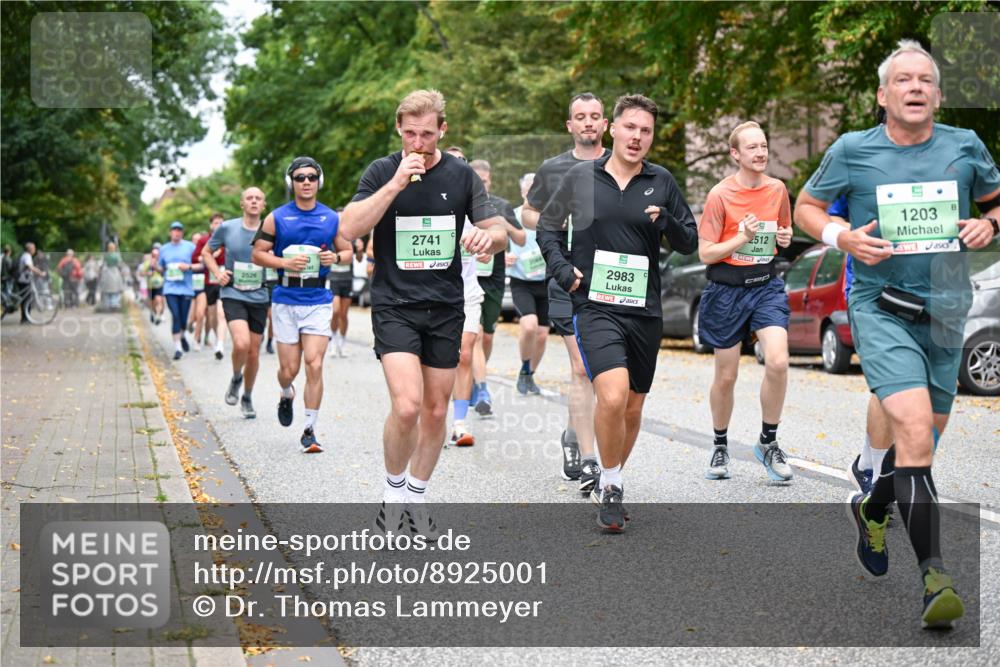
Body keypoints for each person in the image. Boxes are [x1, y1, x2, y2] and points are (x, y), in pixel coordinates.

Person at [794, 39, 1000, 629]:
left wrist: (987, 223)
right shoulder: (853, 150)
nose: (915, 88)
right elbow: (805, 206)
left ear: (937, 93)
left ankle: (873, 504)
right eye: (903, 80)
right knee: (911, 430)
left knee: (924, 442)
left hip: (947, 307)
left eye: (925, 80)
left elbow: (997, 201)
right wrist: (841, 237)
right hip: (880, 305)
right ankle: (936, 577)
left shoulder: (965, 147)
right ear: (883, 95)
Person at [339, 89, 506, 539]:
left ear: (443, 130)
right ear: (399, 129)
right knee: (408, 405)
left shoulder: (462, 174)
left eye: (427, 134)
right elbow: (349, 227)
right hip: (395, 303)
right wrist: (395, 182)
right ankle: (392, 497)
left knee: (435, 411)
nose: (418, 142)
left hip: (445, 306)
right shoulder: (381, 170)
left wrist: (487, 238)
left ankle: (416, 495)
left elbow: (498, 230)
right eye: (410, 133)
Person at [538, 93, 698, 531]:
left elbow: (689, 241)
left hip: (644, 309)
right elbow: (547, 229)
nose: (637, 137)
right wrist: (562, 270)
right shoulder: (580, 177)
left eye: (646, 131)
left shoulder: (661, 181)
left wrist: (665, 220)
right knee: (610, 393)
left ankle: (613, 476)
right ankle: (610, 487)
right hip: (593, 305)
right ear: (613, 129)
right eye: (630, 127)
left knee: (631, 406)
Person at [697, 121, 795, 483]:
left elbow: (782, 235)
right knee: (727, 376)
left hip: (765, 285)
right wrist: (740, 239)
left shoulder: (777, 189)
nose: (761, 153)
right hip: (726, 290)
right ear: (735, 154)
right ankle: (720, 444)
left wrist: (785, 236)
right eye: (752, 147)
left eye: (764, 146)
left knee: (779, 361)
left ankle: (768, 443)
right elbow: (706, 253)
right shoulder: (720, 195)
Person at [521, 92, 607, 491]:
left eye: (595, 116)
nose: (588, 122)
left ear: (605, 123)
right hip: (566, 276)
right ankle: (590, 460)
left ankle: (575, 434)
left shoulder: (619, 165)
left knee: (599, 372)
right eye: (580, 117)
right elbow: (527, 212)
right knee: (580, 367)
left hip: (608, 279)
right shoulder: (553, 168)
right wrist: (558, 221)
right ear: (570, 125)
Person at [252, 157, 351, 454]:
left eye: (311, 177)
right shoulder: (277, 217)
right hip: (286, 300)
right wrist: (283, 261)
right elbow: (258, 254)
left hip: (318, 300)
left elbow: (347, 251)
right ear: (291, 183)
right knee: (288, 369)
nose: (305, 182)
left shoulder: (332, 218)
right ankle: (286, 392)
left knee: (315, 363)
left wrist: (336, 258)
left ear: (319, 181)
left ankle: (309, 430)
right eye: (299, 178)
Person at [828, 195, 895, 495]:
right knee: (888, 383)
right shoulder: (858, 158)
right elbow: (826, 216)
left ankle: (866, 467)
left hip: (917, 287)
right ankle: (880, 482)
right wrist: (852, 233)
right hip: (868, 289)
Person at [204, 188, 270, 419]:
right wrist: (217, 272)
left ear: (264, 205)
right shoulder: (227, 228)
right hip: (233, 292)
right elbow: (206, 252)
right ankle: (235, 377)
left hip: (260, 295)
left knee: (253, 353)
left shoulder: (271, 229)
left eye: (258, 198)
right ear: (242, 204)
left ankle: (248, 396)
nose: (253, 201)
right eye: (249, 198)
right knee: (241, 344)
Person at [467, 159, 525, 415]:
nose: (481, 185)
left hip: (494, 279)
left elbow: (521, 238)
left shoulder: (500, 205)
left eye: (485, 181)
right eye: (476, 180)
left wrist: (503, 224)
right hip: (469, 278)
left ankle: (476, 371)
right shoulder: (461, 203)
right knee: (476, 334)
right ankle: (481, 387)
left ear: (490, 181)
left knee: (487, 336)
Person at [443, 146, 487, 448]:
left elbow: (491, 245)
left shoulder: (476, 205)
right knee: (432, 361)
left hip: (468, 291)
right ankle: (430, 415)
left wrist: (486, 247)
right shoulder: (429, 201)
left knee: (465, 353)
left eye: (462, 163)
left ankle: (459, 424)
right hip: (432, 293)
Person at [507, 172, 551, 395]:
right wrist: (504, 257)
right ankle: (525, 367)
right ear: (523, 192)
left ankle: (528, 376)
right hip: (521, 280)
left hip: (546, 282)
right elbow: (498, 245)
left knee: (542, 334)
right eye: (529, 188)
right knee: (529, 325)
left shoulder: (550, 217)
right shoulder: (513, 217)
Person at [158, 222, 197, 359]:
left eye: (179, 230)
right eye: (174, 230)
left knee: (183, 318)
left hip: (186, 288)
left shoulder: (190, 247)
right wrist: (155, 267)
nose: (176, 232)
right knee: (175, 315)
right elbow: (161, 268)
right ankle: (178, 348)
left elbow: (200, 264)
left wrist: (188, 267)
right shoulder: (164, 249)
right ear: (170, 232)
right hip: (170, 288)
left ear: (182, 232)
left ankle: (182, 335)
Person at [193, 214, 226, 358]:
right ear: (211, 225)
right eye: (216, 223)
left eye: (221, 223)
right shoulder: (204, 240)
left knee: (221, 313)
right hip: (209, 281)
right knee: (211, 315)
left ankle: (220, 344)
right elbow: (195, 258)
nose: (218, 225)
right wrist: (209, 256)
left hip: (224, 280)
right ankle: (212, 334)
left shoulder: (228, 239)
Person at [327, 207, 355, 358]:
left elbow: (357, 258)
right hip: (333, 279)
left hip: (347, 279)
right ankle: (333, 341)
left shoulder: (351, 235)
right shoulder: (329, 236)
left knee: (344, 314)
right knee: (335, 311)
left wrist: (358, 250)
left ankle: (342, 344)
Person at [17, 242, 46, 322]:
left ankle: (26, 318)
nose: (35, 250)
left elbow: (30, 267)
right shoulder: (27, 256)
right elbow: (30, 267)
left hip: (24, 280)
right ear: (31, 249)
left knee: (26, 299)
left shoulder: (26, 255)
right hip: (24, 280)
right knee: (26, 300)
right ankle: (25, 318)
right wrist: (40, 273)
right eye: (34, 248)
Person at [140, 246, 166, 325]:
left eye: (157, 255)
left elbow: (164, 271)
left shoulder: (161, 262)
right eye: (153, 255)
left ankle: (158, 315)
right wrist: (148, 273)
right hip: (150, 286)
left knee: (159, 299)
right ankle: (154, 313)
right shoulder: (147, 263)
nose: (155, 256)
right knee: (152, 302)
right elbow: (141, 273)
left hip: (160, 284)